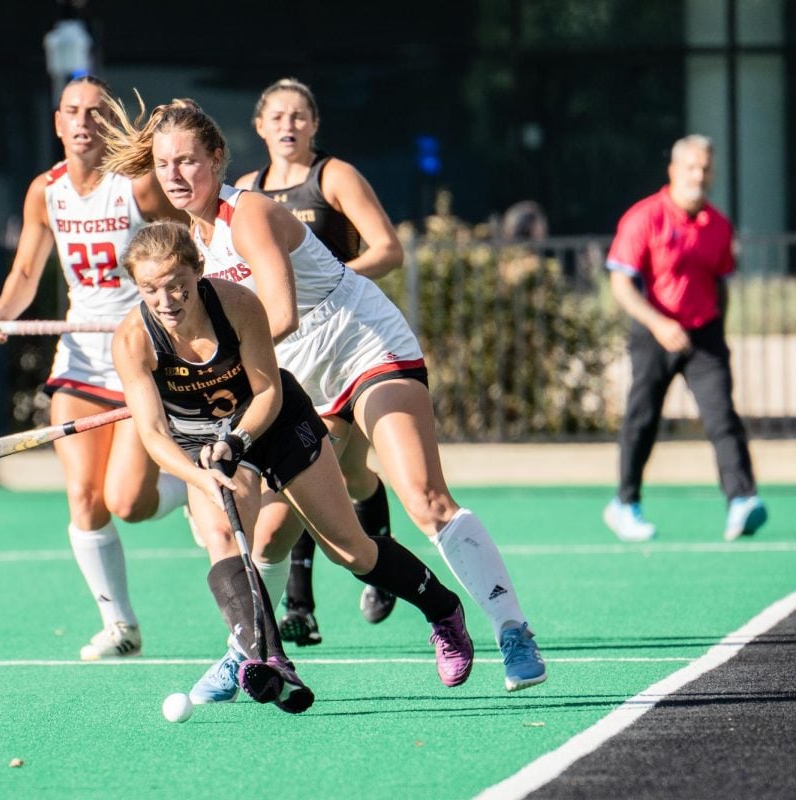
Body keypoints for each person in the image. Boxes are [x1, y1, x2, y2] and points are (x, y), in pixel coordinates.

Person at [99, 95, 547, 696]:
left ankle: (512, 630)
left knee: (423, 496)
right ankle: (251, 650)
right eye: (163, 164)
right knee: (274, 537)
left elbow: (279, 315)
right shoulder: (187, 248)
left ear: (218, 158)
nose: (176, 176)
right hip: (295, 378)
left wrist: (212, 374)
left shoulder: (249, 214)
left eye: (188, 161)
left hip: (359, 344)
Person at [111, 220, 474, 712]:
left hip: (273, 423)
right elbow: (153, 433)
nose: (166, 300)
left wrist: (238, 439)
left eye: (175, 285)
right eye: (150, 289)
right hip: (204, 445)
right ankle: (270, 660)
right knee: (223, 536)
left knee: (350, 550)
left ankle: (443, 610)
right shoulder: (134, 340)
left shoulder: (237, 305)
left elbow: (267, 391)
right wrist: (199, 476)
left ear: (198, 270)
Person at [0, 76, 189, 662]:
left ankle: (192, 488)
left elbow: (189, 247)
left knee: (129, 502)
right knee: (82, 495)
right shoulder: (44, 192)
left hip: (141, 357)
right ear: (57, 122)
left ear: (110, 121)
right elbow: (25, 273)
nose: (83, 122)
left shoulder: (137, 188)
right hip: (79, 357)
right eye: (72, 111)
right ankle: (119, 625)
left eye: (95, 112)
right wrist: (1, 312)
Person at [234, 77, 406, 645]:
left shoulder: (332, 176)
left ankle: (380, 558)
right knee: (298, 466)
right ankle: (299, 608)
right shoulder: (243, 192)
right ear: (259, 126)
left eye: (299, 116)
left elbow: (387, 249)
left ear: (314, 125)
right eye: (277, 116)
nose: (288, 125)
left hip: (340, 343)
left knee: (350, 474)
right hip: (283, 349)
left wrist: (325, 285)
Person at [603, 134, 768, 543]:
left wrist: (718, 332)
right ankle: (625, 504)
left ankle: (742, 502)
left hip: (704, 333)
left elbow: (722, 284)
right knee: (642, 420)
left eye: (706, 167)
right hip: (654, 330)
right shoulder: (644, 217)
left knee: (722, 417)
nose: (700, 175)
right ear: (674, 171)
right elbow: (621, 284)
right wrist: (658, 324)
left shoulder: (718, 225)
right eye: (691, 167)